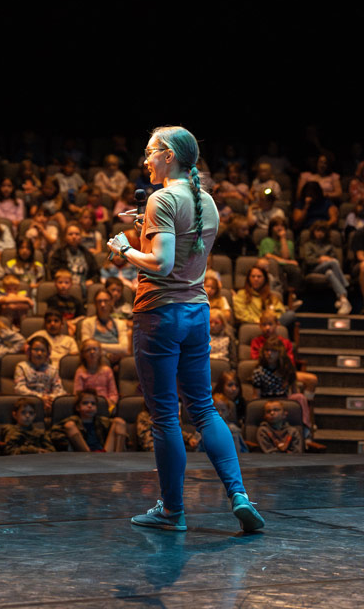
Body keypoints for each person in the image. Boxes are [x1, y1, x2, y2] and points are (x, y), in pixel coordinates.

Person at [106, 125, 264, 532]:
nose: (145, 161)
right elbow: (184, 245)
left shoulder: (162, 198)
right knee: (205, 409)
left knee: (165, 417)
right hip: (196, 313)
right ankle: (239, 494)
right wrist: (146, 222)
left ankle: (173, 512)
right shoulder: (206, 201)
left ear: (169, 156)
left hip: (160, 314)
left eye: (150, 153)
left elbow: (161, 264)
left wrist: (125, 249)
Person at [49, 390, 128, 453]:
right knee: (69, 425)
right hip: (84, 455)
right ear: (77, 407)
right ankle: (89, 457)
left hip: (104, 453)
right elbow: (54, 433)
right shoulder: (73, 420)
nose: (89, 406)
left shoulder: (101, 421)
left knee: (119, 422)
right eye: (85, 403)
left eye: (93, 404)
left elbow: (122, 432)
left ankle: (119, 457)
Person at [300, 221, 352, 315]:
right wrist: (320, 259)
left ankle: (343, 299)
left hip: (328, 268)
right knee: (333, 262)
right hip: (314, 269)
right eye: (318, 231)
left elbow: (335, 258)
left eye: (322, 231)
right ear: (313, 232)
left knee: (329, 273)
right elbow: (308, 260)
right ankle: (345, 286)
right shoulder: (309, 244)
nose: (320, 233)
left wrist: (328, 259)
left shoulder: (329, 245)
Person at [13, 336, 66, 413]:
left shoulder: (53, 369)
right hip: (28, 404)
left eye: (43, 350)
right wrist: (40, 398)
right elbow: (19, 388)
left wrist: (49, 398)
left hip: (49, 404)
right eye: (36, 350)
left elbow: (59, 390)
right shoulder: (21, 366)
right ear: (29, 351)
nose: (39, 353)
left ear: (48, 354)